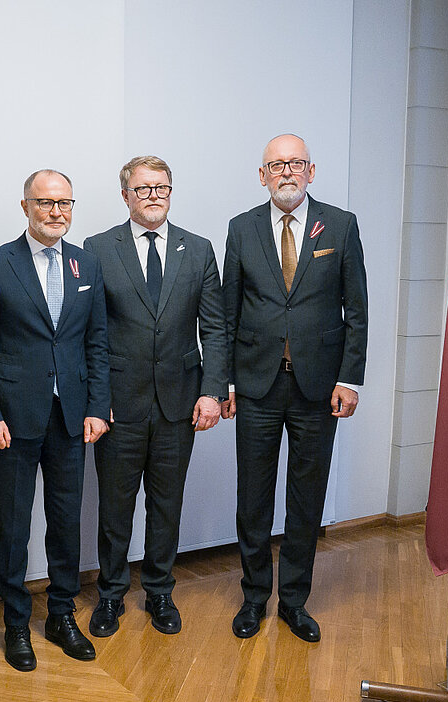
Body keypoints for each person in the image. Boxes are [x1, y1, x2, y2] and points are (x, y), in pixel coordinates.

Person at [222, 134, 368, 643]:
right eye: (276, 165)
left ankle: (294, 601)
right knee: (253, 499)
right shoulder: (240, 229)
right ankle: (254, 598)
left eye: (296, 163)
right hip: (257, 386)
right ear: (262, 175)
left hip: (318, 389)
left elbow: (357, 311)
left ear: (311, 170)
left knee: (306, 499)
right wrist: (226, 382)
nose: (286, 172)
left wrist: (350, 378)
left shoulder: (342, 226)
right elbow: (227, 313)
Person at [0, 169, 110, 672]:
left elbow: (96, 343)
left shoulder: (85, 263)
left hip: (71, 417)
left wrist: (96, 406)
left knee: (66, 521)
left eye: (65, 203)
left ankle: (62, 614)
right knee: (13, 525)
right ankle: (14, 622)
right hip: (12, 419)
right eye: (45, 202)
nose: (56, 212)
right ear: (25, 206)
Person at [83, 156, 227, 638]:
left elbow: (216, 328)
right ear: (125, 195)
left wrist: (212, 392)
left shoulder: (199, 249)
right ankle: (110, 595)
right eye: (143, 189)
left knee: (167, 504)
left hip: (180, 403)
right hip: (118, 405)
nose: (153, 197)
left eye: (161, 188)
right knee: (115, 506)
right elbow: (91, 333)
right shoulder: (98, 249)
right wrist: (95, 399)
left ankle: (160, 592)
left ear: (171, 192)